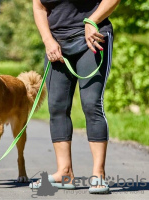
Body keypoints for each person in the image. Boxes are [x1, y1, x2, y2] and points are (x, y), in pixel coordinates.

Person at [31, 0, 121, 194]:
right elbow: (39, 7)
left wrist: (93, 20)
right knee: (56, 106)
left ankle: (98, 174)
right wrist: (47, 40)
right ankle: (64, 173)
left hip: (93, 37)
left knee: (91, 104)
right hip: (56, 43)